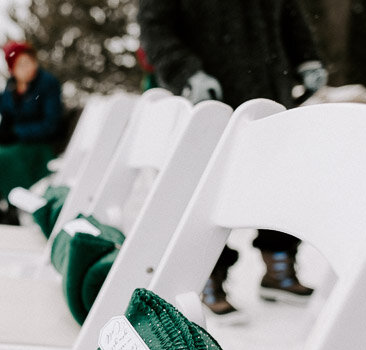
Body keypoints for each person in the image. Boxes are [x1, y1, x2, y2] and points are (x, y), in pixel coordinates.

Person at [138, 0, 328, 322]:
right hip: (211, 97)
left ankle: (278, 266)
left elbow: (289, 15)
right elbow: (155, 28)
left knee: (278, 182)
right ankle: (206, 277)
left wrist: (306, 57)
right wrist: (186, 71)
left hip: (270, 88)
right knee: (205, 193)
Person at [0, 41, 63, 225]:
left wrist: (17, 132)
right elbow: (2, 115)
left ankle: (14, 205)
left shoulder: (47, 84)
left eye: (30, 62)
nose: (28, 68)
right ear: (12, 69)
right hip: (16, 144)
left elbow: (51, 124)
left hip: (40, 144)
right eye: (21, 64)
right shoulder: (10, 88)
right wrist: (1, 131)